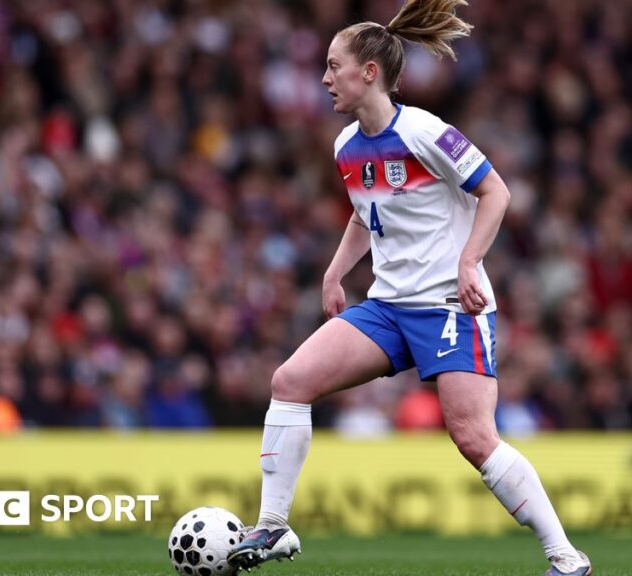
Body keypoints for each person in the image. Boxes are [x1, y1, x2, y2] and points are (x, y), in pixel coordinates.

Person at [228, 2, 592, 575]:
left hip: (449, 303)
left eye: (333, 66)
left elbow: (496, 192)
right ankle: (273, 527)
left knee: (472, 436)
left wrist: (470, 262)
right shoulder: (346, 145)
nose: (324, 79)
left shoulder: (426, 132)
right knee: (289, 381)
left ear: (368, 72)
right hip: (389, 306)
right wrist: (333, 272)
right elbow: (363, 216)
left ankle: (566, 557)